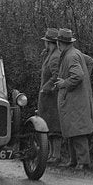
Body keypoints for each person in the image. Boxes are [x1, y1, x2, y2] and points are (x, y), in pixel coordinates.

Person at [54, 28, 93, 170]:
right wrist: (86, 83)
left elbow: (78, 75)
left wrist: (64, 83)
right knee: (71, 130)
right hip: (75, 98)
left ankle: (83, 162)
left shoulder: (70, 56)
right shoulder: (74, 53)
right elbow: (90, 62)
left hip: (75, 100)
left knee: (78, 131)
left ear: (60, 43)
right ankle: (74, 160)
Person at [36, 28, 62, 163]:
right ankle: (51, 154)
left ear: (49, 42)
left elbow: (56, 76)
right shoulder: (50, 54)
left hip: (52, 97)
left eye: (46, 42)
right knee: (49, 126)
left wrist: (46, 89)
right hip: (48, 99)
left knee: (54, 127)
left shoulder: (55, 57)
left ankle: (56, 155)